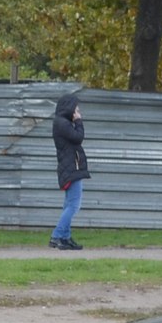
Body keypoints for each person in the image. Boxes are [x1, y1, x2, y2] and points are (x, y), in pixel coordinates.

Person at [50, 89, 89, 250]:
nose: (78, 113)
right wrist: (79, 121)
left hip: (71, 167)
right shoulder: (62, 123)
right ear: (69, 108)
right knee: (74, 205)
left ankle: (65, 237)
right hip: (71, 168)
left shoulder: (62, 122)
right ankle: (57, 236)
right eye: (77, 109)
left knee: (69, 204)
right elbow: (78, 137)